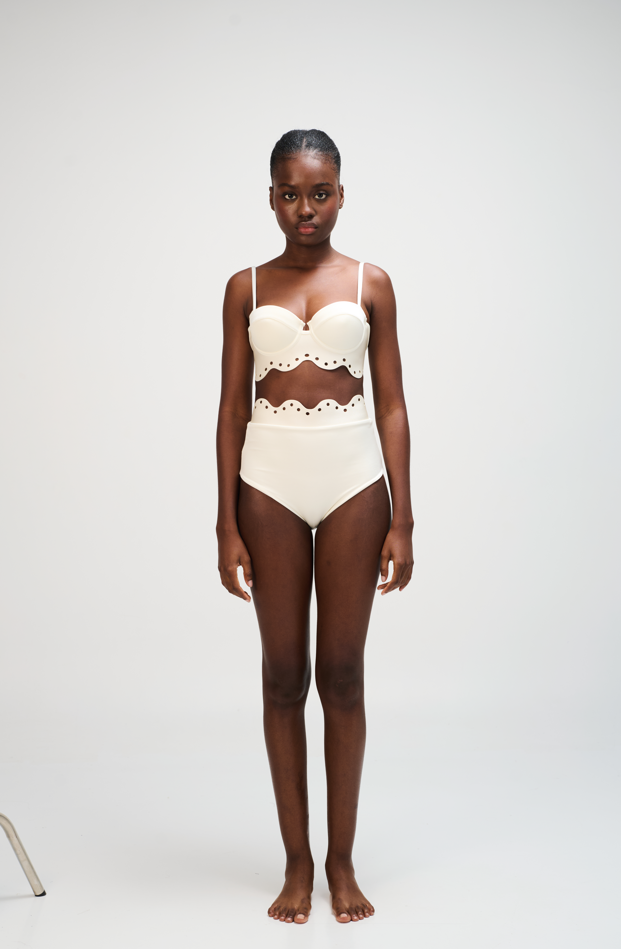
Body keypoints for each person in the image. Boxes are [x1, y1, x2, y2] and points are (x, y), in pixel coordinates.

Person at [216, 129, 413, 924]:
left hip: (353, 482)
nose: (306, 207)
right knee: (281, 675)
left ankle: (341, 859)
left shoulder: (370, 282)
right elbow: (231, 408)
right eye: (291, 193)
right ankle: (296, 859)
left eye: (320, 192)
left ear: (340, 194)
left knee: (342, 674)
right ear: (271, 197)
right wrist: (224, 523)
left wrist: (404, 516)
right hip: (266, 482)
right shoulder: (244, 286)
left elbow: (391, 404)